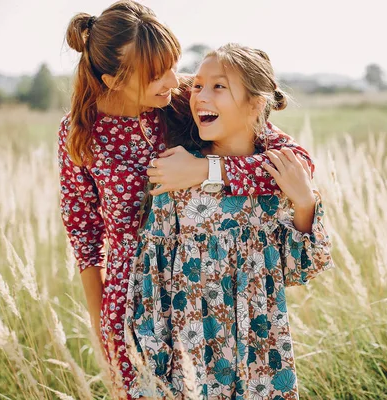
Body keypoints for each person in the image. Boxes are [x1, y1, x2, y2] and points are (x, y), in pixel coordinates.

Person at [58, 1, 314, 396]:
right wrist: (104, 331)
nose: (172, 80)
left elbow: (297, 163)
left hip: (203, 294)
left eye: (172, 65)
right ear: (112, 80)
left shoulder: (184, 102)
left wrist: (207, 171)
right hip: (130, 306)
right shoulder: (80, 134)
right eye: (155, 74)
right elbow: (85, 239)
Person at [126, 43, 333, 399]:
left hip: (261, 357)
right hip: (190, 361)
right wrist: (153, 372)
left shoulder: (274, 176)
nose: (201, 96)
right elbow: (152, 277)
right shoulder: (177, 173)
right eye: (198, 85)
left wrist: (304, 201)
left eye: (219, 86)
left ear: (255, 104)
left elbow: (299, 267)